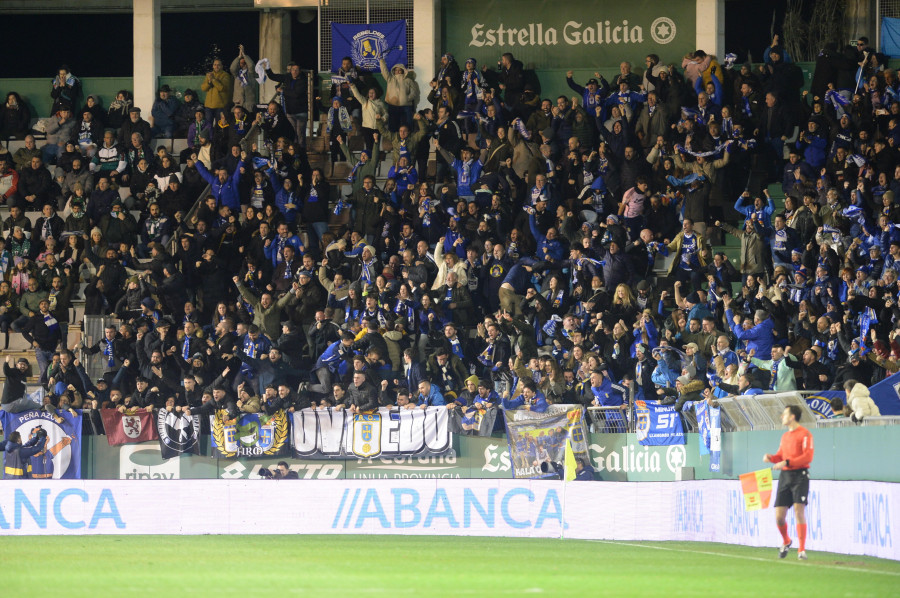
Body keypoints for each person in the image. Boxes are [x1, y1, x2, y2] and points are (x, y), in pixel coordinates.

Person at [764, 405, 815, 561]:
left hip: (800, 476)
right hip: (785, 476)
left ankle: (801, 549)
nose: (782, 417)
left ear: (792, 417)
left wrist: (786, 462)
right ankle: (786, 540)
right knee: (779, 516)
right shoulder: (785, 436)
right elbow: (781, 455)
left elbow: (807, 457)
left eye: (784, 414)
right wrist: (772, 458)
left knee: (799, 511)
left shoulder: (805, 434)